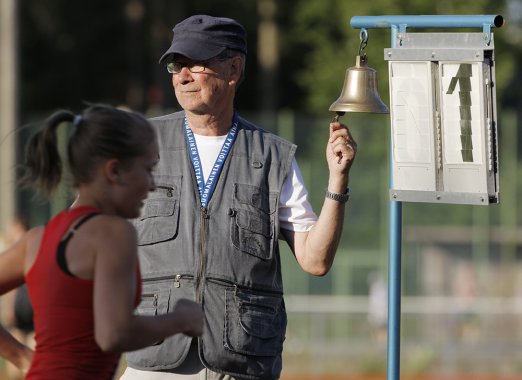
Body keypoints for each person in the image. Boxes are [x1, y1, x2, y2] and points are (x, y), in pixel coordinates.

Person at [121, 15, 357, 380]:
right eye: (176, 65)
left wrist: (337, 179)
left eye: (194, 64)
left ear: (233, 69)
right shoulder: (139, 145)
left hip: (240, 364)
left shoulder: (273, 157)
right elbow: (85, 228)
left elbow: (315, 260)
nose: (182, 75)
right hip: (155, 358)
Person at [0, 104, 204, 379]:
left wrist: (22, 357)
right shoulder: (113, 232)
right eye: (148, 169)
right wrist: (180, 320)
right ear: (114, 171)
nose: (152, 185)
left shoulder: (38, 238)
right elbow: (114, 334)